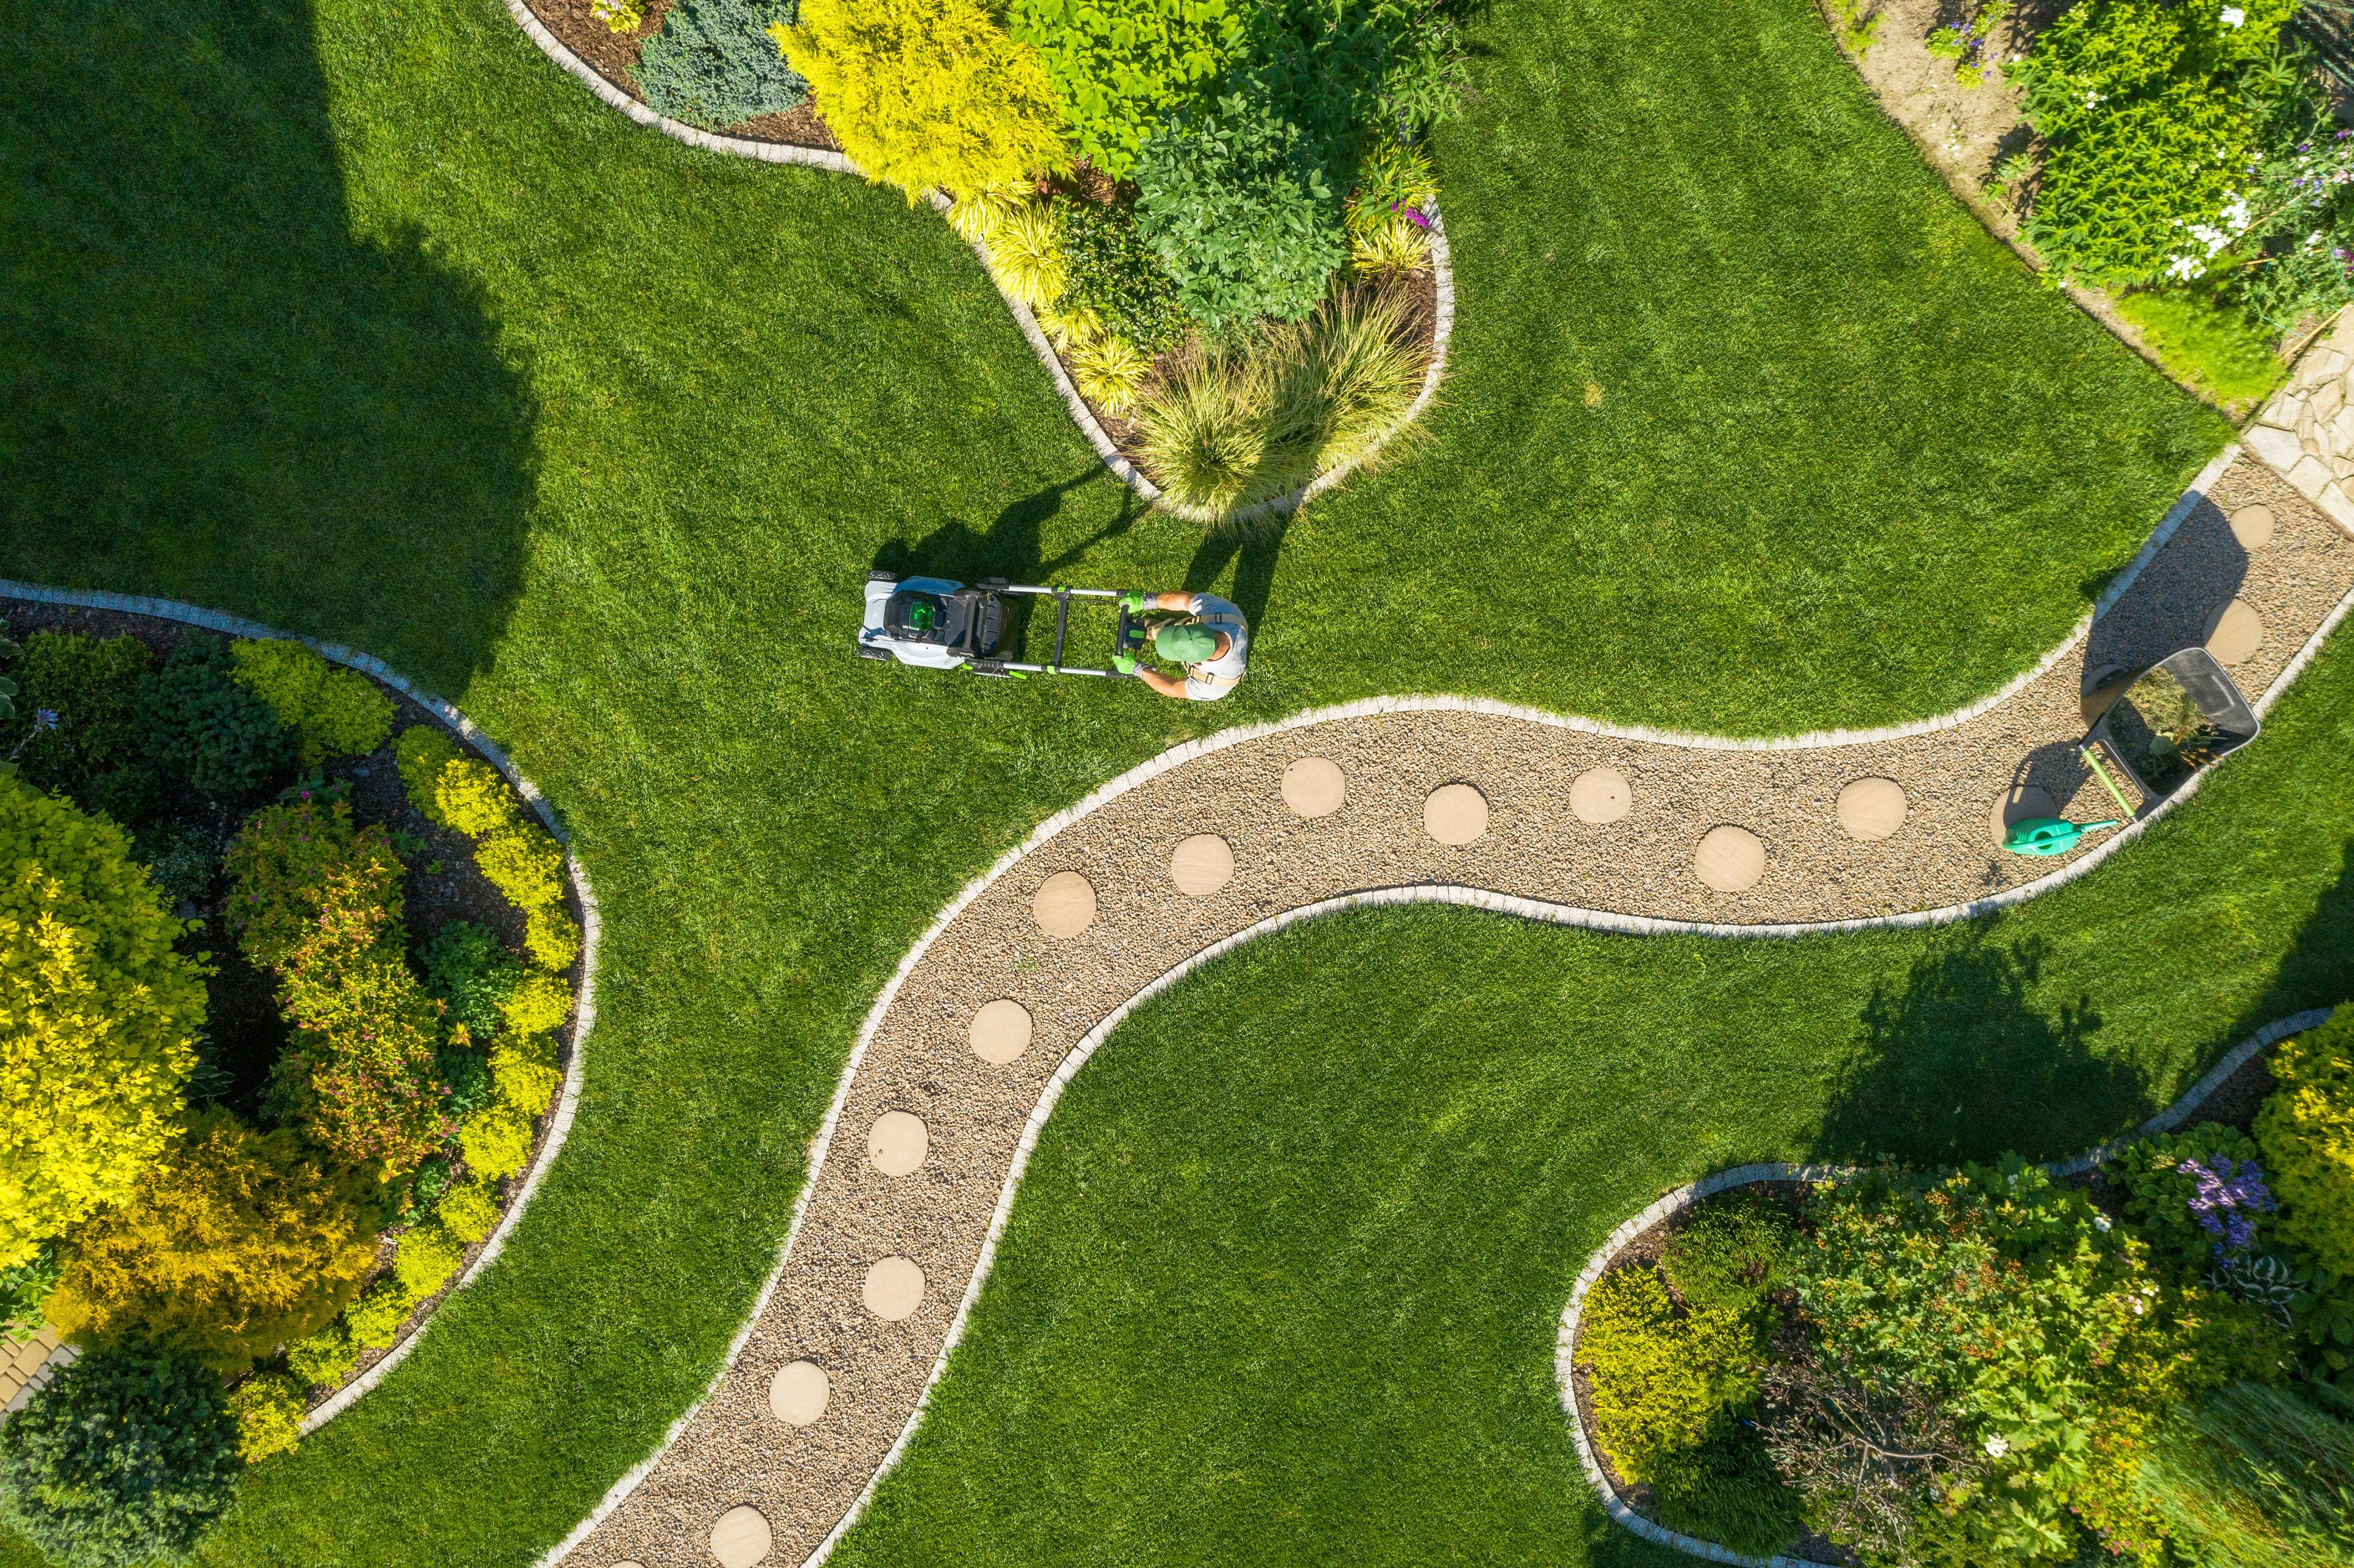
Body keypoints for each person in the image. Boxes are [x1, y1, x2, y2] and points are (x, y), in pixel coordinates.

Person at [1114, 590, 1249, 700]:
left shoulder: (1214, 685)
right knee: (1173, 633)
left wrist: (1137, 669)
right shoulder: (1225, 612)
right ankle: (1155, 630)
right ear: (1200, 624)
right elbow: (1185, 600)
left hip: (1215, 672)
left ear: (1196, 663)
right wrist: (1147, 601)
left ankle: (1157, 630)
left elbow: (1173, 688)